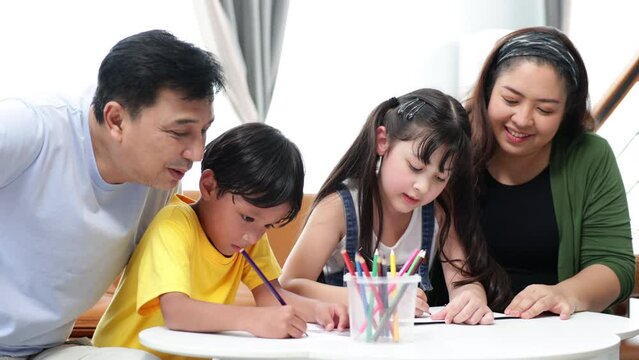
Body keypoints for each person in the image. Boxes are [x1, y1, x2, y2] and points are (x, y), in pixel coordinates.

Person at [0, 30, 224, 359]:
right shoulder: (28, 130)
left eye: (204, 131)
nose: (196, 152)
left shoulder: (160, 181)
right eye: (180, 132)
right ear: (116, 119)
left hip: (44, 350)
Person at [92, 122, 349, 356]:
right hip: (122, 352)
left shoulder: (250, 238)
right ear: (209, 186)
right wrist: (254, 320)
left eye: (268, 225)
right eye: (247, 218)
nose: (254, 235)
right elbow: (177, 312)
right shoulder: (173, 226)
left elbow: (272, 295)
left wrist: (318, 310)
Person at [280, 88, 509, 325]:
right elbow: (289, 285)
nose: (422, 187)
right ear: (383, 141)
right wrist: (374, 297)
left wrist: (471, 296)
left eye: (440, 178)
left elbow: (462, 281)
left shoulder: (439, 211)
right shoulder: (338, 209)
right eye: (415, 167)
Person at [465, 26, 635, 320]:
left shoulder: (589, 156)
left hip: (554, 334)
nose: (522, 119)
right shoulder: (450, 142)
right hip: (453, 333)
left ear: (567, 111)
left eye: (545, 110)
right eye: (511, 100)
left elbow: (615, 264)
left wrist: (566, 293)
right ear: (489, 90)